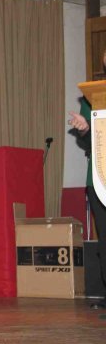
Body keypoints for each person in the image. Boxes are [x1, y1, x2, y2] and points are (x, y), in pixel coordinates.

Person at [69, 98, 106, 309]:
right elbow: (87, 143)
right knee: (105, 239)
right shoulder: (92, 95)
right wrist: (84, 129)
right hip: (99, 179)